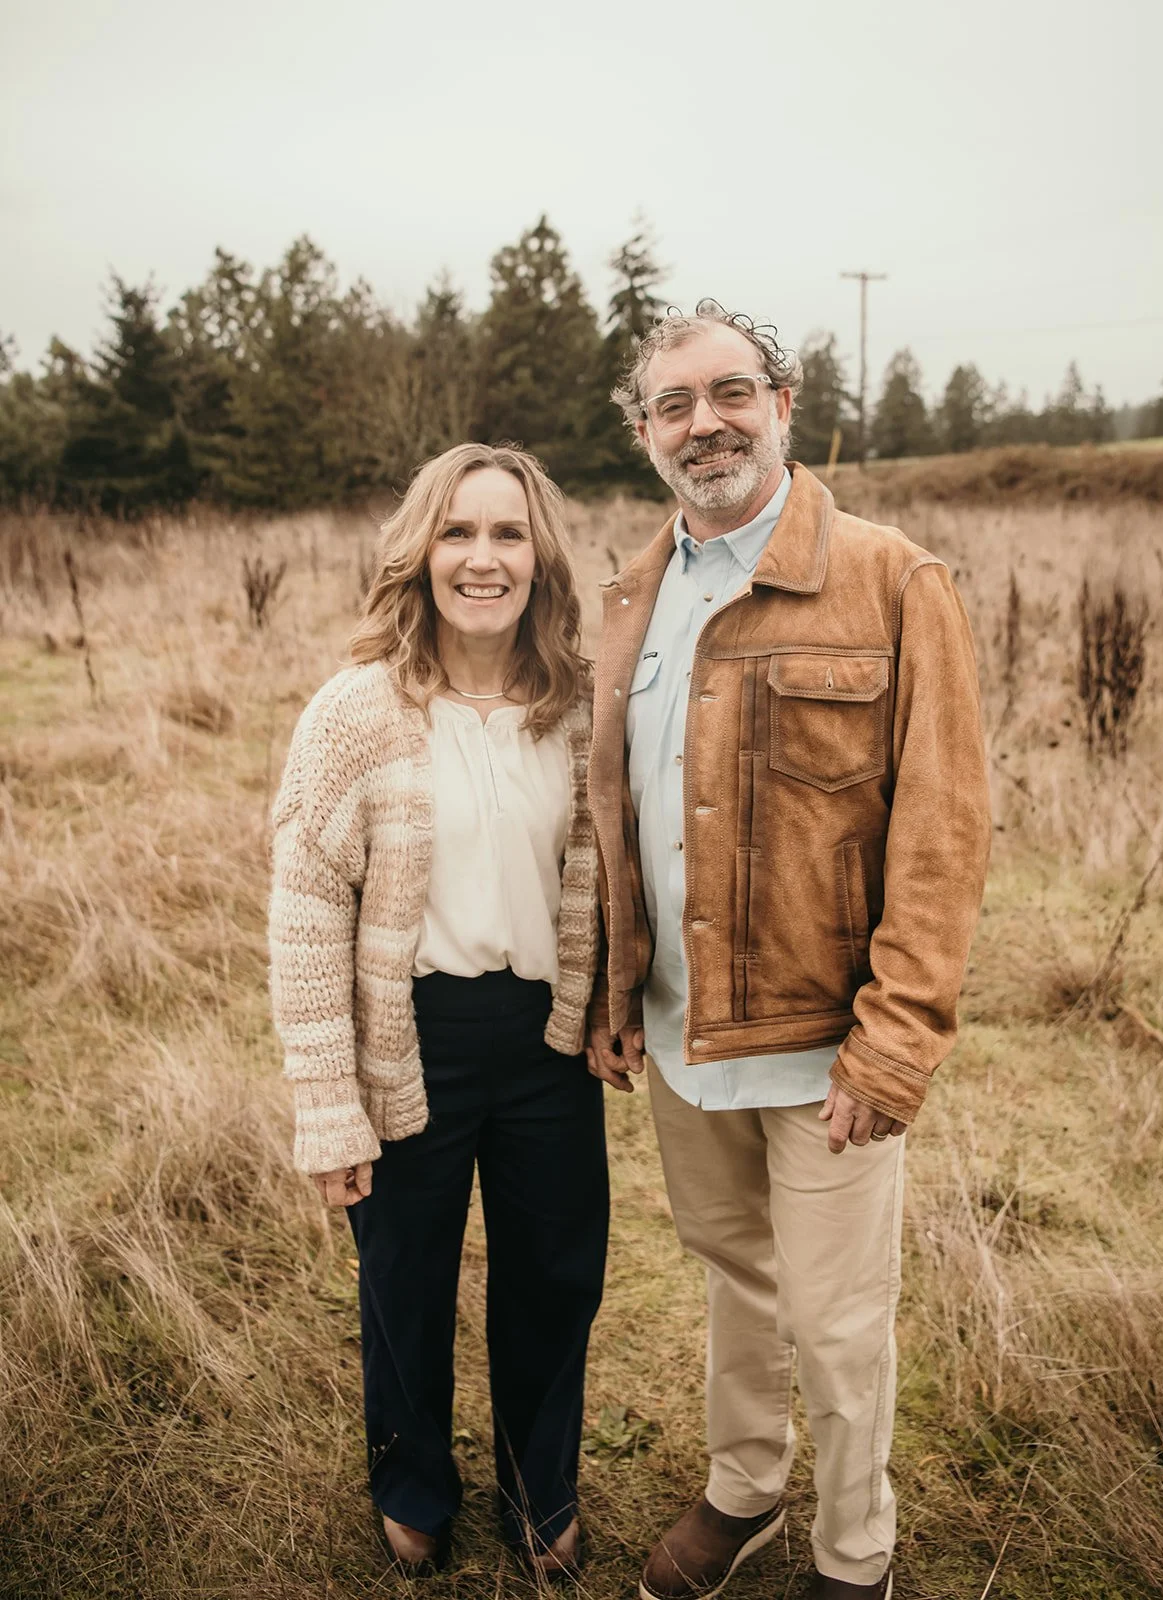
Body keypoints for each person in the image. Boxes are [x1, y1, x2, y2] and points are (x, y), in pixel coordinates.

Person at [585, 302, 990, 1600]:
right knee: (734, 1280)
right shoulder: (631, 595)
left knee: (836, 1318)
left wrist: (896, 1043)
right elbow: (618, 812)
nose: (702, 423)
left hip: (827, 1053)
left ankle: (853, 1551)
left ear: (782, 404)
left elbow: (943, 835)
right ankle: (744, 1490)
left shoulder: (893, 581)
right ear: (644, 433)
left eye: (728, 392)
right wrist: (612, 986)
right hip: (680, 1037)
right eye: (671, 404)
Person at [268, 443, 604, 1580]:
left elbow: (608, 877)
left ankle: (539, 1484)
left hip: (546, 1041)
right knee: (405, 1279)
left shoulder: (578, 707)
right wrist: (327, 1103)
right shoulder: (354, 712)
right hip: (410, 1038)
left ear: (539, 556)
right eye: (458, 532)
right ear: (420, 553)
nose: (482, 558)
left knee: (555, 1274)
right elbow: (306, 911)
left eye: (508, 533)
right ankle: (411, 1482)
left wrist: (611, 1004)